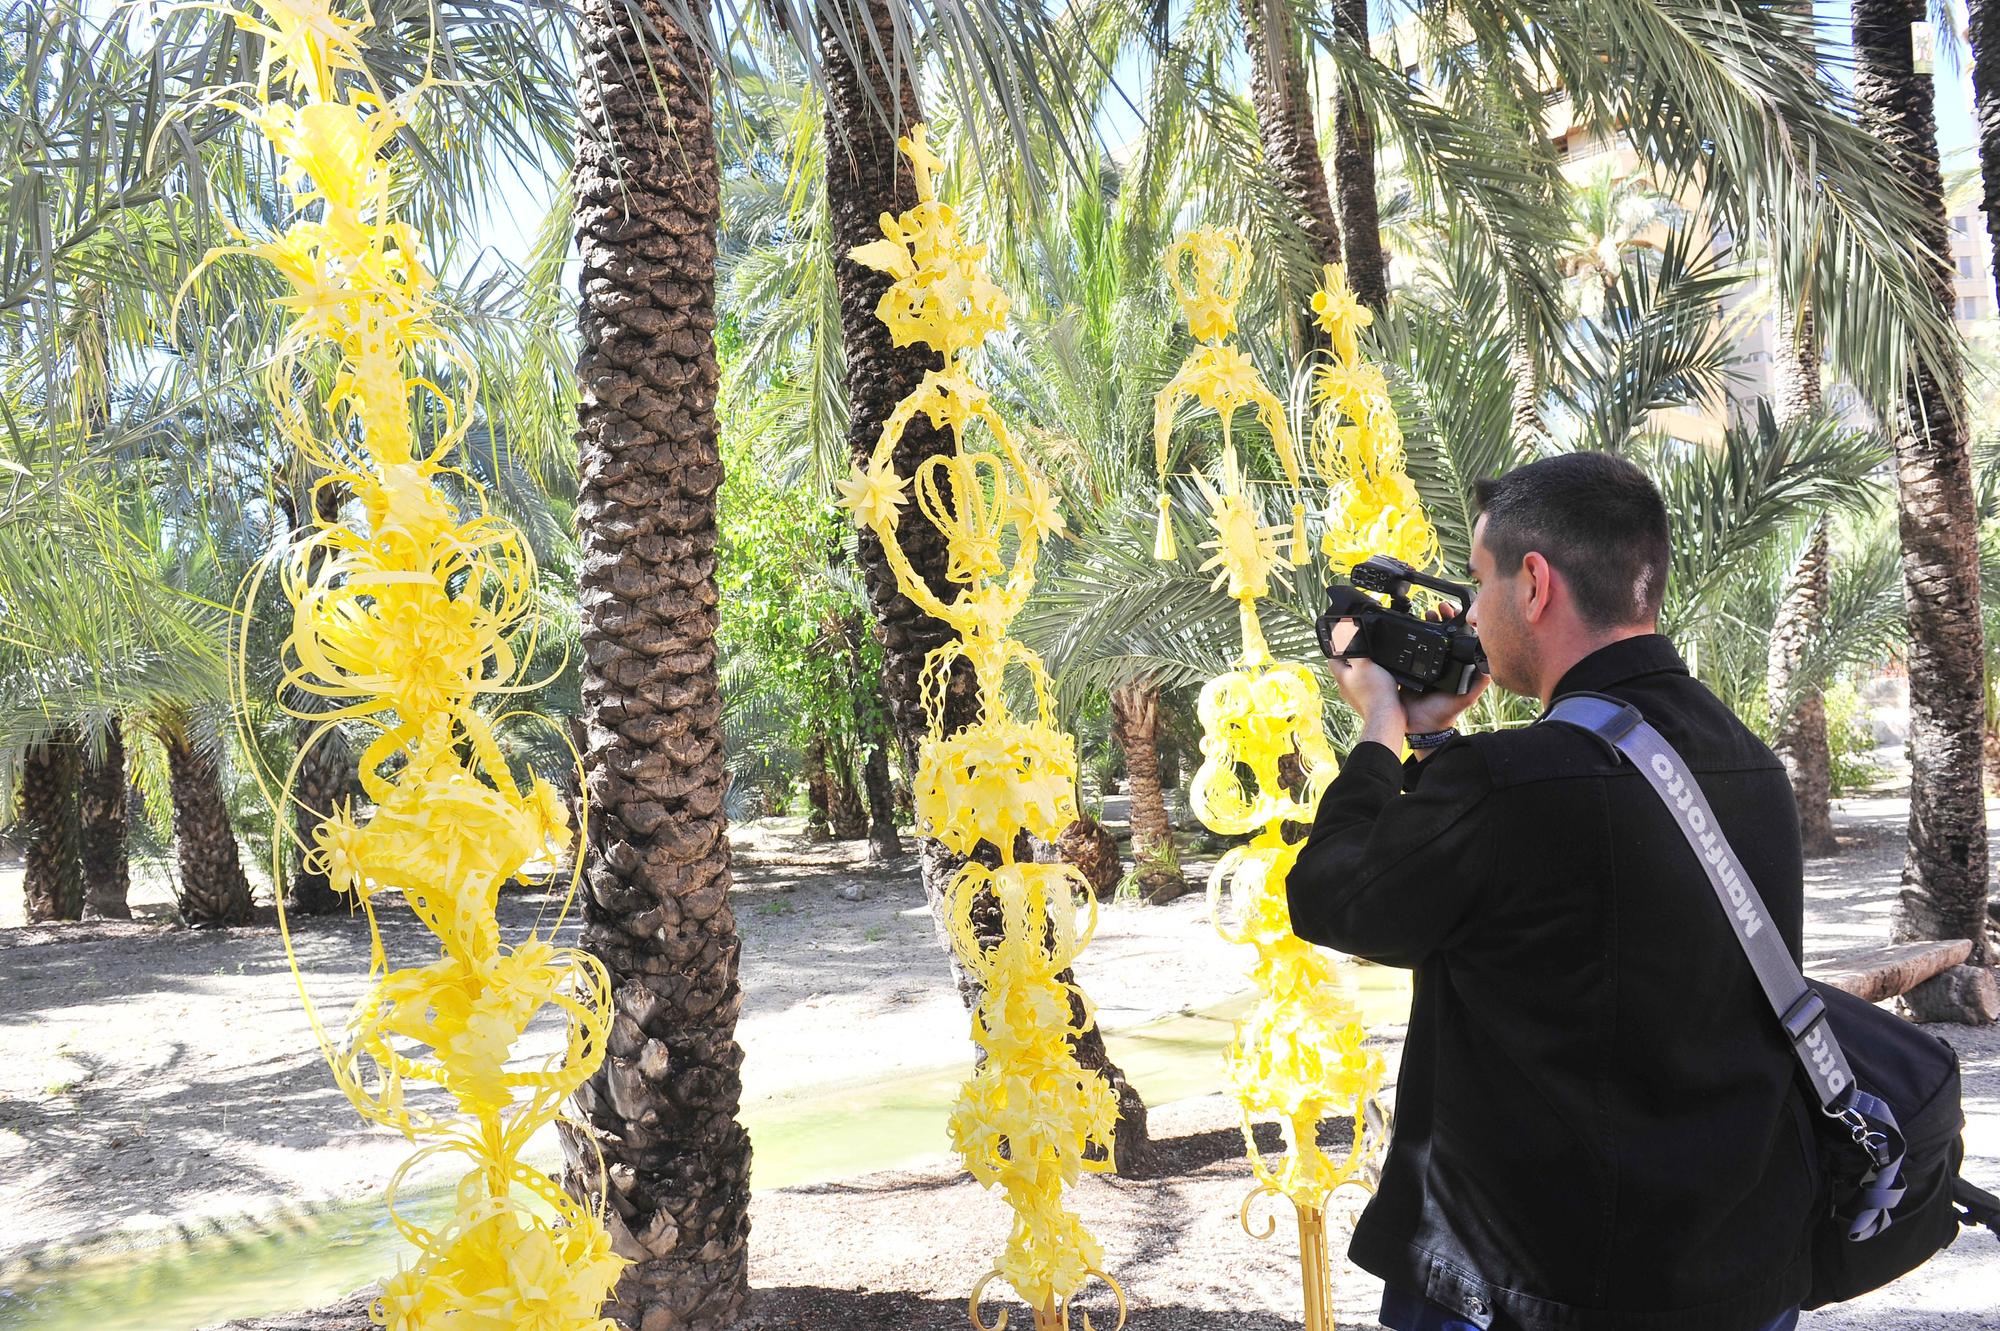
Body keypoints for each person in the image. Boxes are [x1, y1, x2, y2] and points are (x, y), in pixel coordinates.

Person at [1287, 453, 1817, 1331]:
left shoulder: (1510, 782)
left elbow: (1334, 894)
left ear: (1534, 583)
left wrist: (1381, 728)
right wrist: (1432, 751)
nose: (1475, 613)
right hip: (1736, 1275)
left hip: (1535, 1289)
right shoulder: (1750, 764)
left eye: (1481, 580)